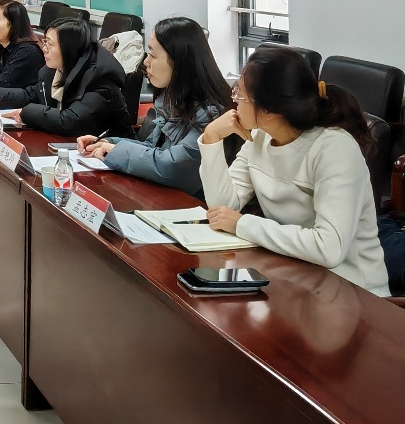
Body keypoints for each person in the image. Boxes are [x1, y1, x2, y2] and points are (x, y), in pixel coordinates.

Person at [198, 47, 389, 296]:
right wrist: (211, 138)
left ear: (269, 110)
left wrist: (243, 224)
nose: (234, 100)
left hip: (355, 292)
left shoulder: (334, 148)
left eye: (240, 94)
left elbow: (328, 248)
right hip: (296, 278)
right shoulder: (260, 137)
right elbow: (222, 210)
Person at [79, 17, 231, 197]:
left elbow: (173, 167)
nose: (146, 62)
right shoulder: (171, 99)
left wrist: (117, 151)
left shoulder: (211, 112)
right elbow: (151, 149)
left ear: (178, 61)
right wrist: (110, 143)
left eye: (152, 54)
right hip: (163, 197)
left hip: (193, 206)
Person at [0, 17, 133, 138]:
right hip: (74, 147)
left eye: (50, 44)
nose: (44, 48)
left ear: (68, 49)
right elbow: (32, 94)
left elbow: (70, 121)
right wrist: (0, 98)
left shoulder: (99, 79)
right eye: (44, 41)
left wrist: (26, 113)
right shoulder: (55, 70)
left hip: (110, 157)